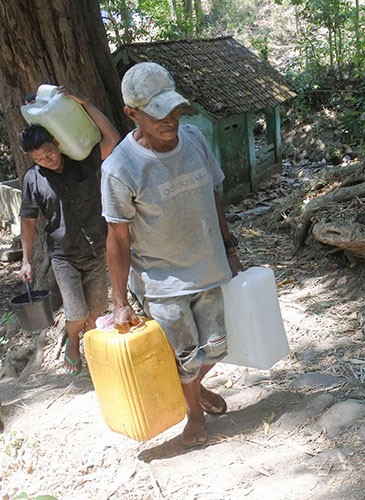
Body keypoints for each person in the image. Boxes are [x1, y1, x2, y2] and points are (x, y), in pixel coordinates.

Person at [101, 62, 242, 448]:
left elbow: (214, 196)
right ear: (132, 113)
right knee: (183, 357)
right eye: (159, 113)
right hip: (162, 283)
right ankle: (193, 415)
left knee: (215, 347)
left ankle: (192, 389)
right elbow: (117, 238)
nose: (171, 120)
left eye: (175, 110)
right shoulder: (120, 168)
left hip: (209, 267)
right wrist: (118, 302)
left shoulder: (195, 139)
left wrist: (230, 249)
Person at [18, 88, 120, 375]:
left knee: (96, 312)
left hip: (96, 250)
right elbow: (28, 220)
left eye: (49, 152)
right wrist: (26, 260)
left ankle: (93, 353)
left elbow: (112, 139)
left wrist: (85, 102)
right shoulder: (32, 179)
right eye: (39, 158)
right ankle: (72, 343)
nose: (47, 160)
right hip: (63, 256)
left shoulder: (82, 160)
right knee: (76, 313)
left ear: (56, 141)